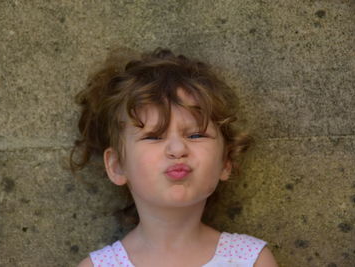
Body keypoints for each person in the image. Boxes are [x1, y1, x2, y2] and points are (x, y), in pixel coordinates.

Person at [72, 48, 278, 267]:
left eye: (196, 134)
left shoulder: (251, 260)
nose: (178, 148)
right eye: (153, 137)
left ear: (226, 161)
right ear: (117, 166)